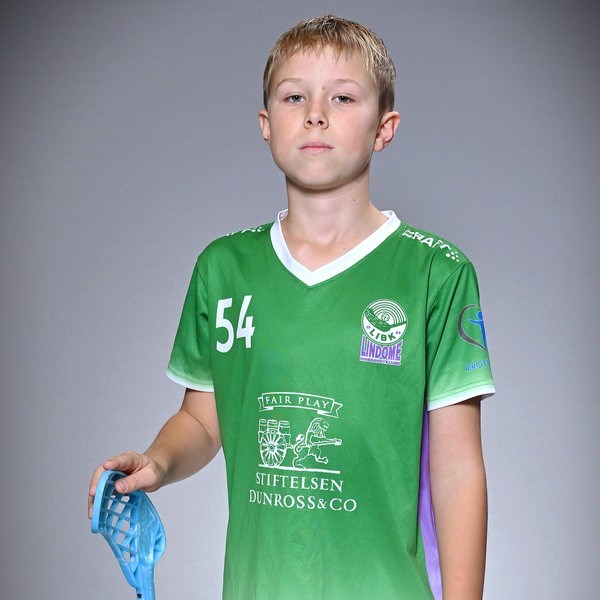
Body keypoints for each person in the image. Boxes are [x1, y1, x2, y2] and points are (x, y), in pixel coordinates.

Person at [88, 15, 495, 600]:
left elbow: (457, 470)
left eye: (343, 97)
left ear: (384, 128)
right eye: (295, 96)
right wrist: (159, 462)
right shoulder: (223, 268)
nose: (316, 114)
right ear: (266, 124)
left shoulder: (436, 272)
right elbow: (204, 419)